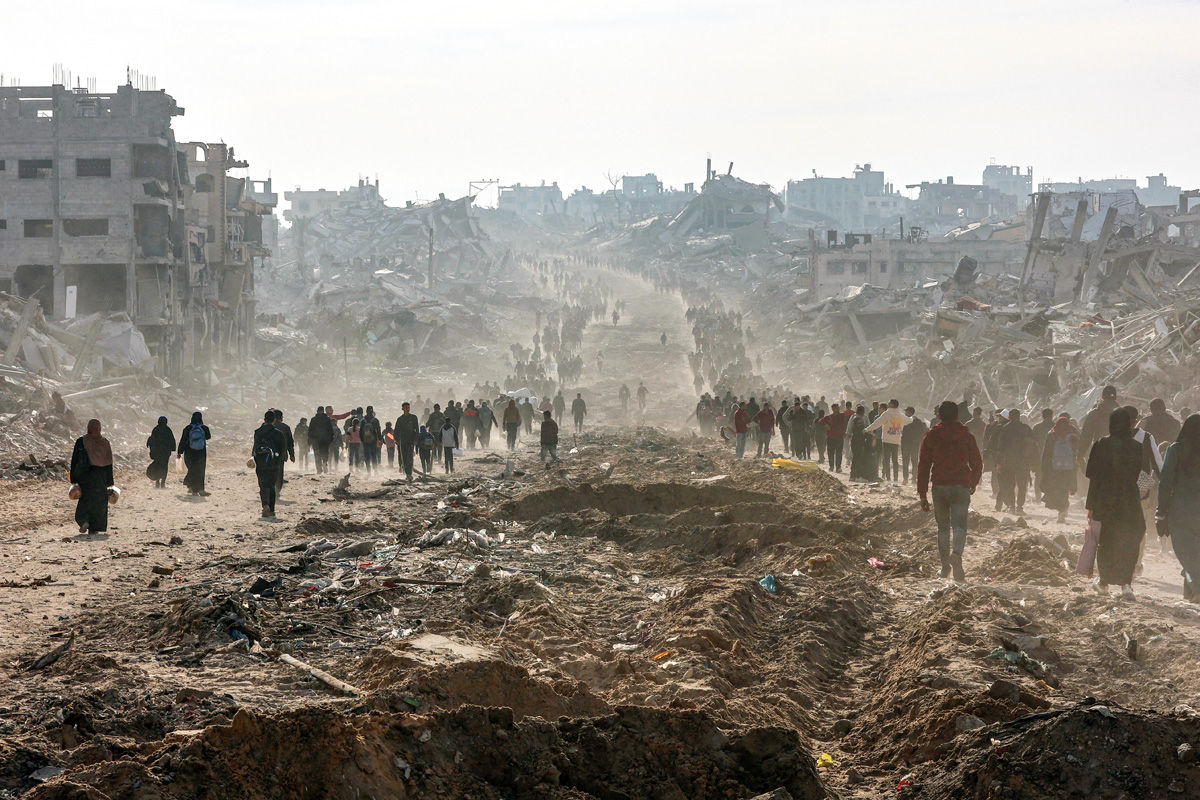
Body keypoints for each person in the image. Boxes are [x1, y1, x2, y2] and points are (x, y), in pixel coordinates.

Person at [918, 400, 983, 582]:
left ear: (939, 415)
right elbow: (977, 463)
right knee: (960, 526)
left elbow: (923, 466)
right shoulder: (967, 435)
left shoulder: (931, 436)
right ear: (957, 416)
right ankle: (957, 554)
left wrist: (922, 494)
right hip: (961, 485)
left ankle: (945, 566)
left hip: (939, 486)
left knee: (943, 528)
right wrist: (973, 483)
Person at [1085, 408, 1145, 596]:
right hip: (1130, 502)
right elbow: (1144, 476)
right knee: (1130, 540)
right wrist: (1143, 497)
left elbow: (1092, 476)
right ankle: (1126, 583)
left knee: (1106, 541)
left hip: (1104, 502)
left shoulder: (1101, 444)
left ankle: (1103, 582)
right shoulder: (1137, 447)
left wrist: (1091, 506)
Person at [1158, 415, 1200, 599]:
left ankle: (1196, 588)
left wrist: (1161, 512)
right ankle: (1190, 592)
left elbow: (1165, 483)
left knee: (1186, 552)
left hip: (1181, 511)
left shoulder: (1175, 450)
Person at [71, 419, 115, 534]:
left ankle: (84, 520)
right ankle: (94, 528)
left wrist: (73, 478)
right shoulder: (105, 442)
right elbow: (109, 463)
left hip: (85, 475)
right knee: (99, 503)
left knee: (85, 500)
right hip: (101, 476)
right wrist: (110, 482)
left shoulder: (81, 441)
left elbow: (75, 460)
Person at [995, 409, 1036, 514]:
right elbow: (1034, 446)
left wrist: (999, 463)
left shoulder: (1005, 428)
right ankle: (1020, 507)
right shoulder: (1026, 429)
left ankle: (1012, 507)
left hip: (1008, 462)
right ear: (1019, 417)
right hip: (1023, 462)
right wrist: (1032, 461)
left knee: (1010, 484)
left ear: (1009, 417)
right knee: (1022, 485)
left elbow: (1000, 447)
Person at [1040, 414, 1078, 523]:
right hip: (1068, 468)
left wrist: (1043, 467)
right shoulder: (1073, 434)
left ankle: (1061, 509)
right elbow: (1076, 451)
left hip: (1054, 468)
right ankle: (1063, 508)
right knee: (1064, 489)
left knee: (1055, 488)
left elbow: (1046, 453)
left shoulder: (1051, 434)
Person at [252, 410, 288, 519]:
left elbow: (255, 447)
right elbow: (283, 449)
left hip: (260, 461)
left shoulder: (258, 432)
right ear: (274, 420)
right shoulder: (278, 433)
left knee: (262, 485)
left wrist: (253, 458)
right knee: (271, 485)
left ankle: (265, 505)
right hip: (273, 462)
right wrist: (279, 461)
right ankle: (271, 510)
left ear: (264, 420)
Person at [865, 399, 906, 482]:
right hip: (881, 440)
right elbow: (875, 427)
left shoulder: (887, 415)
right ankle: (885, 476)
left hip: (887, 440)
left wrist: (867, 429)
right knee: (882, 458)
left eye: (880, 408)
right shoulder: (877, 416)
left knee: (889, 459)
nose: (878, 409)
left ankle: (891, 477)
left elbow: (876, 425)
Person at [1080, 385, 1121, 460]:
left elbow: (1086, 436)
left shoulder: (1094, 413)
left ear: (1102, 396)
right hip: (1120, 454)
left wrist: (1080, 455)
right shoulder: (1124, 413)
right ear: (1115, 397)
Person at [177, 412, 211, 496]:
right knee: (200, 470)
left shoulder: (187, 428)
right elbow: (208, 436)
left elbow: (183, 440)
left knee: (192, 469)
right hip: (201, 452)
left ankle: (192, 488)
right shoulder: (204, 428)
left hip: (189, 452)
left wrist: (179, 452)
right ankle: (201, 489)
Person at [847, 405, 877, 481]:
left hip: (855, 441)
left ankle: (854, 476)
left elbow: (850, 428)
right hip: (858, 442)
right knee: (857, 459)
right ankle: (855, 476)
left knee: (856, 458)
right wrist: (871, 436)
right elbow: (862, 432)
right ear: (863, 412)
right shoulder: (859, 420)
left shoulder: (855, 418)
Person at [145, 416, 175, 488]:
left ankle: (157, 482)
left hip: (157, 453)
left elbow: (152, 440)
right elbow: (172, 440)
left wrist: (152, 451)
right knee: (164, 467)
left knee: (157, 466)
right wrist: (173, 449)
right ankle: (163, 483)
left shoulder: (155, 429)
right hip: (165, 453)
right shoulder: (168, 430)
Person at [900, 407, 927, 485]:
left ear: (909, 412)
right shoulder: (918, 421)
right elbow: (922, 432)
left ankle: (907, 479)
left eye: (906, 412)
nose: (905, 413)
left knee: (907, 461)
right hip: (914, 444)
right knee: (914, 461)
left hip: (907, 444)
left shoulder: (906, 421)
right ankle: (912, 479)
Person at [819, 403, 848, 472]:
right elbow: (820, 421)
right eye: (835, 408)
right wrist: (826, 425)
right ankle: (831, 466)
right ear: (832, 409)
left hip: (839, 437)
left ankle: (838, 467)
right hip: (831, 437)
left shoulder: (842, 415)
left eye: (837, 407)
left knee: (839, 453)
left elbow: (847, 422)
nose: (837, 409)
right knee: (830, 453)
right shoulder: (829, 417)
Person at [395, 402, 420, 483]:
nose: (407, 409)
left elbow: (417, 429)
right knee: (404, 458)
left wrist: (416, 439)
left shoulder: (413, 418)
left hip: (411, 441)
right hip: (402, 441)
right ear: (402, 409)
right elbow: (396, 431)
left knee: (410, 457)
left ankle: (409, 474)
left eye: (408, 407)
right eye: (405, 407)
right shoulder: (400, 419)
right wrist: (397, 440)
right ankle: (407, 473)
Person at [273, 410, 295, 494]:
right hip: (281, 454)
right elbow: (290, 443)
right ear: (281, 418)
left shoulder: (265, 426)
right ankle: (277, 491)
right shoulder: (285, 427)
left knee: (268, 472)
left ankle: (269, 490)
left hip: (267, 454)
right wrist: (292, 455)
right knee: (279, 473)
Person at [307, 407, 334, 474]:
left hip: (315, 440)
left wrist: (309, 441)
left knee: (317, 454)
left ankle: (319, 469)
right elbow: (331, 430)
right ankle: (325, 464)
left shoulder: (313, 419)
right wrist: (330, 439)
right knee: (325, 453)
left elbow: (310, 431)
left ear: (317, 411)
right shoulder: (327, 419)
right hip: (325, 440)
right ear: (323, 411)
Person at [359, 406, 382, 473]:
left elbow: (360, 431)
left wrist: (362, 440)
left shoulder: (363, 421)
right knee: (374, 455)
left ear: (366, 411)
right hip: (373, 440)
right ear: (372, 412)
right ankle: (375, 470)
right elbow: (378, 430)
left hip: (365, 441)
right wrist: (380, 439)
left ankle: (368, 470)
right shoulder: (375, 420)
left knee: (367, 455)